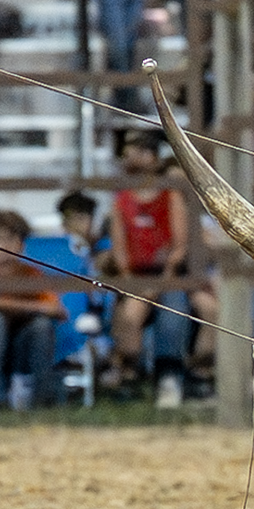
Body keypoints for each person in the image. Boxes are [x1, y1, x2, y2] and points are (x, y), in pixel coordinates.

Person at [103, 135, 193, 408]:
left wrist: (162, 282)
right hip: (136, 274)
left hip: (168, 273)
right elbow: (119, 248)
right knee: (130, 313)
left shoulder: (170, 195)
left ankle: (169, 373)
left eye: (141, 152)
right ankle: (128, 370)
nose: (133, 158)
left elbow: (179, 246)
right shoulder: (121, 200)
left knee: (172, 308)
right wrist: (130, 282)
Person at [0, 210, 65, 410]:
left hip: (20, 350)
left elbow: (57, 310)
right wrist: (31, 307)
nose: (3, 246)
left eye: (10, 239)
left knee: (42, 326)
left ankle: (43, 399)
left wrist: (6, 305)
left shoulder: (32, 276)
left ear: (20, 244)